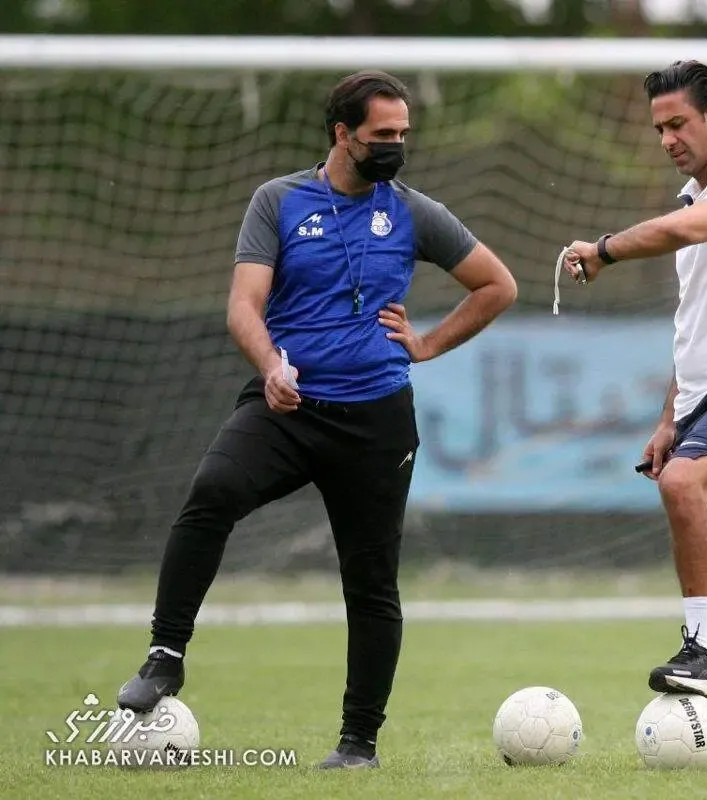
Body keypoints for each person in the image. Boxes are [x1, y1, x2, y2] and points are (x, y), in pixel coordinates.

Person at [114, 70, 518, 769]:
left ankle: (358, 744)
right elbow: (243, 307)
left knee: (371, 581)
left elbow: (497, 285)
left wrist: (426, 344)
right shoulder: (278, 201)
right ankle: (165, 655)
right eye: (382, 134)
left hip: (377, 421)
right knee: (211, 493)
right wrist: (271, 365)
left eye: (403, 135)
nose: (396, 146)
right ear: (342, 133)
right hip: (288, 406)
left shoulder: (416, 212)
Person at [561, 60, 707, 768]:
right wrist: (670, 419)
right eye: (659, 127)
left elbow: (677, 231)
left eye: (678, 123)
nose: (667, 138)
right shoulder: (693, 198)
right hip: (704, 405)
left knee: (681, 484)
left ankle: (696, 650)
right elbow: (693, 328)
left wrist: (604, 250)